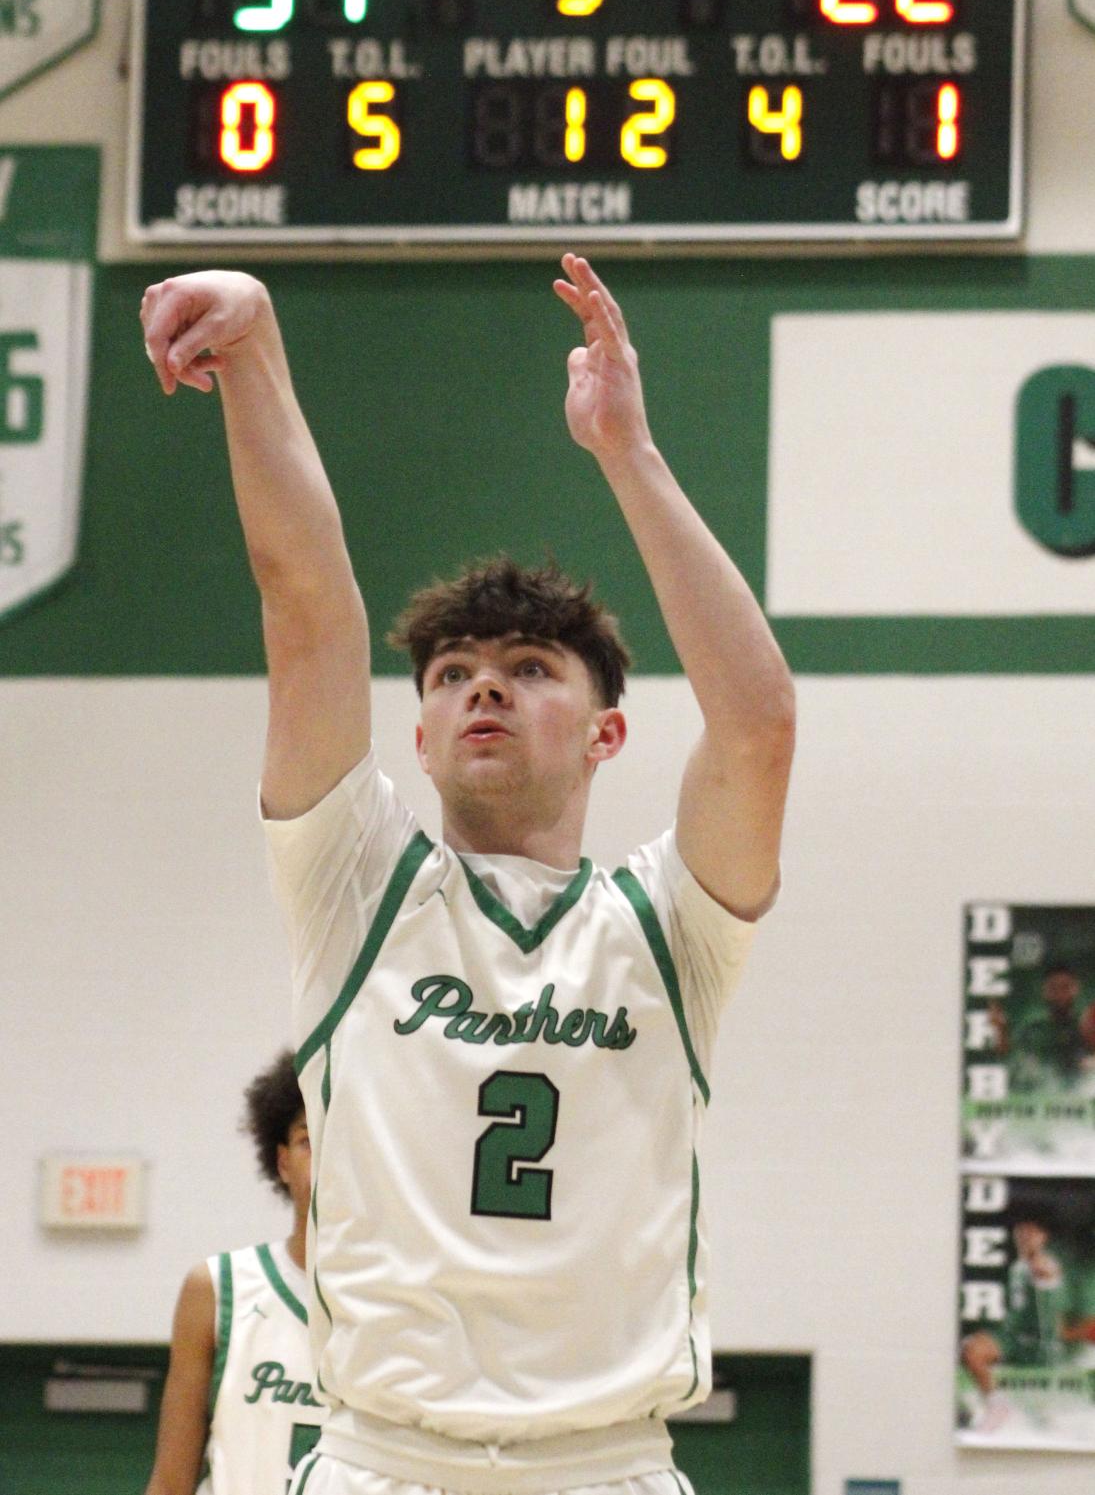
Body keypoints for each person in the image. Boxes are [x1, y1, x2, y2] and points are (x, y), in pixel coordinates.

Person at [140, 253, 796, 1495]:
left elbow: (757, 721)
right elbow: (306, 609)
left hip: (609, 1464)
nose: (485, 683)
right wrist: (258, 355)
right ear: (422, 735)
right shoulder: (356, 883)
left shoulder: (669, 925)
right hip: (384, 1458)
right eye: (453, 675)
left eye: (535, 667)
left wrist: (627, 453)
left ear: (610, 732)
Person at [144, 1050, 324, 1495]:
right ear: (282, 1162)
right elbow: (171, 1481)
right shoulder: (218, 1288)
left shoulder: (403, 1298)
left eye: (342, 1141)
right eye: (308, 1140)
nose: (327, 1160)